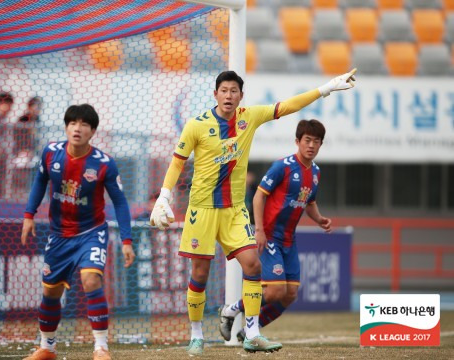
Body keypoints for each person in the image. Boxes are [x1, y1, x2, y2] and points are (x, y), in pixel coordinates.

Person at [149, 69, 356, 355]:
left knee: (253, 266)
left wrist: (326, 88)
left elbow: (287, 106)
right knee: (199, 272)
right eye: (224, 90)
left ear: (241, 96)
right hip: (203, 210)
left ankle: (252, 333)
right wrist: (164, 196)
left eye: (234, 91)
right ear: (215, 94)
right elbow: (177, 162)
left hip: (235, 211)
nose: (229, 95)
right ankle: (196, 334)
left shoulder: (249, 117)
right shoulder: (196, 126)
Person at [21, 104, 136, 360]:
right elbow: (40, 181)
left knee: (91, 280)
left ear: (92, 131)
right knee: (50, 292)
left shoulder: (104, 163)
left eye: (84, 124)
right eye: (73, 123)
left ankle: (101, 348)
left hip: (91, 233)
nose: (77, 128)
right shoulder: (51, 153)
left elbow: (119, 202)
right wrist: (29, 215)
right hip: (59, 235)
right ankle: (47, 348)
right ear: (66, 126)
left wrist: (127, 240)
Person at [219, 119, 332, 343]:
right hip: (269, 235)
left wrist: (319, 219)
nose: (311, 145)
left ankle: (249, 330)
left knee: (289, 296)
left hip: (289, 240)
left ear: (320, 145)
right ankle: (230, 310)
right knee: (274, 292)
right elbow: (259, 195)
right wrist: (259, 229)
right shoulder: (283, 166)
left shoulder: (316, 173)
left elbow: (309, 202)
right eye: (307, 140)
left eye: (316, 142)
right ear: (297, 141)